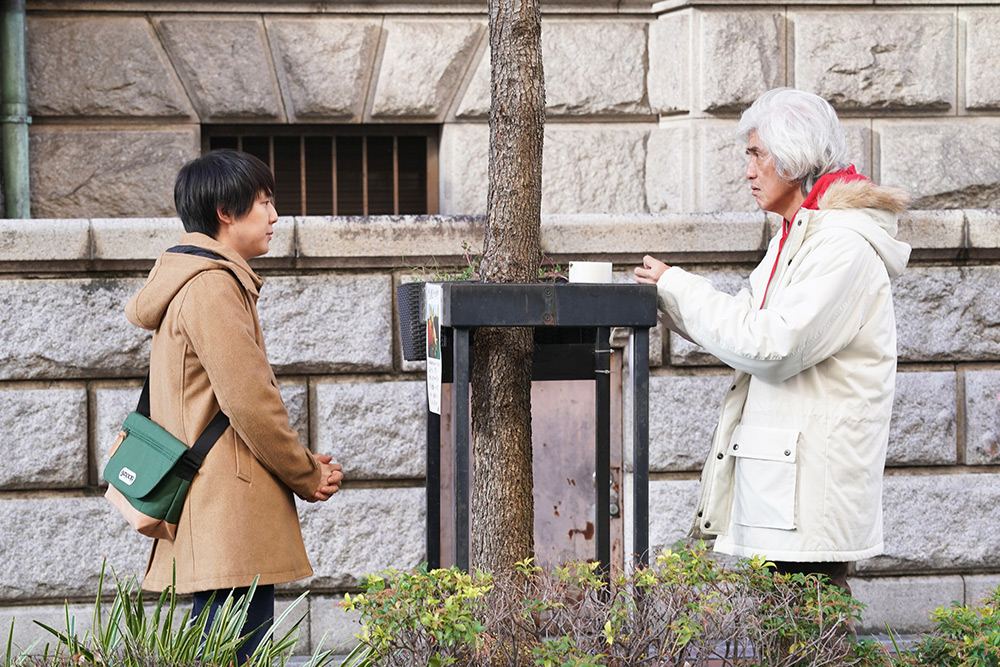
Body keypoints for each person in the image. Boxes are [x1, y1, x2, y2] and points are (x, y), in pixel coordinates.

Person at [635, 88, 911, 595]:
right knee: (791, 638)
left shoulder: (840, 245)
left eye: (757, 153)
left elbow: (772, 346)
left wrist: (678, 286)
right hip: (787, 489)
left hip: (807, 497)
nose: (748, 171)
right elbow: (745, 325)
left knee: (809, 642)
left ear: (794, 154)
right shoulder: (800, 234)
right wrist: (666, 297)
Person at [125, 149, 344, 661]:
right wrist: (306, 473)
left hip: (218, 498)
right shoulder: (212, 286)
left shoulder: (198, 280)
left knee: (222, 644)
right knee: (236, 648)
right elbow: (249, 402)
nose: (274, 216)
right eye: (264, 202)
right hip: (228, 502)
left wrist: (306, 467)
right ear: (226, 211)